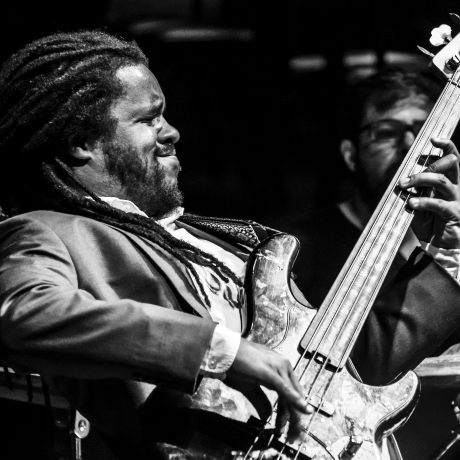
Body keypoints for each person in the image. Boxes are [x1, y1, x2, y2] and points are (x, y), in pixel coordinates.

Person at [0, 31, 459, 460]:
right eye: (149, 118)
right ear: (81, 142)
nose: (172, 132)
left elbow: (353, 371)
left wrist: (449, 251)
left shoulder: (225, 244)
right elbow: (26, 314)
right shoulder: (48, 230)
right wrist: (223, 350)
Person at [290, 69, 443, 309]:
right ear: (351, 155)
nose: (410, 144)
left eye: (424, 134)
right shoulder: (298, 252)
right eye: (387, 132)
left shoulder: (451, 240)